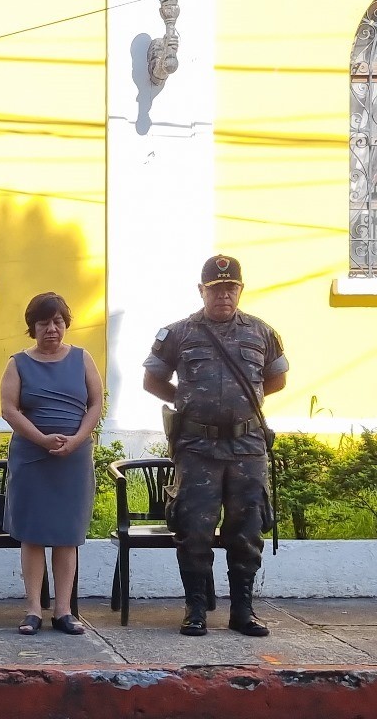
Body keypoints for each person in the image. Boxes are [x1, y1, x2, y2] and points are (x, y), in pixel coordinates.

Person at [142, 255, 288, 637]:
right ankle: (195, 610)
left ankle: (243, 610)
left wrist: (240, 411)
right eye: (216, 288)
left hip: (247, 447)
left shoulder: (262, 333)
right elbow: (152, 380)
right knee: (193, 529)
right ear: (201, 291)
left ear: (240, 290)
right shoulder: (178, 333)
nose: (224, 295)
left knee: (247, 530)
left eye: (231, 288)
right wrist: (189, 403)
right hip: (198, 448)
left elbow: (276, 380)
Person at [0, 292, 103, 635]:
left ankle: (63, 611)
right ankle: (32, 610)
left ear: (66, 325)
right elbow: (9, 410)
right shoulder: (18, 363)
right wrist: (41, 439)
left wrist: (76, 440)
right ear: (33, 327)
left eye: (57, 321)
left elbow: (95, 404)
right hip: (32, 458)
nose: (51, 329)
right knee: (32, 535)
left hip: (73, 461)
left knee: (66, 535)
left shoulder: (82, 358)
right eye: (44, 322)